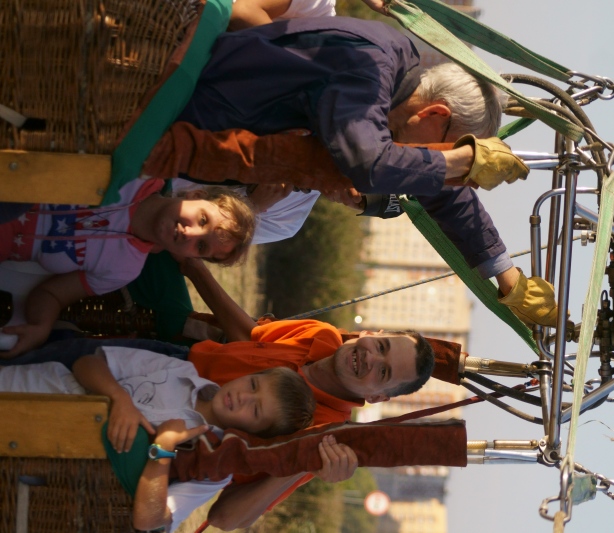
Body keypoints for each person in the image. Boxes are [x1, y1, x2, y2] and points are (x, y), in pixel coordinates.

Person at [143, 15, 559, 330]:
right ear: (435, 114)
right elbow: (370, 164)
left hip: (174, 139)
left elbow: (440, 190)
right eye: (447, 148)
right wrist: (457, 162)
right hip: (156, 108)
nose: (440, 163)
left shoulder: (394, 86)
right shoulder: (370, 64)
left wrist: (506, 276)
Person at [0, 346, 316, 532]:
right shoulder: (179, 370)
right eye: (253, 385)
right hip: (29, 389)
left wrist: (162, 449)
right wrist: (119, 398)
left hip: (37, 462)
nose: (243, 397)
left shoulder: (213, 469)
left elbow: (151, 522)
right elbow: (87, 362)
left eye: (256, 410)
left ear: (254, 432)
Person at [0, 181, 256, 357]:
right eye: (203, 219)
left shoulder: (125, 269)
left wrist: (41, 326)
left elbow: (52, 294)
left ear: (190, 257)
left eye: (201, 246)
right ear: (194, 195)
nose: (191, 233)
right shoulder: (137, 175)